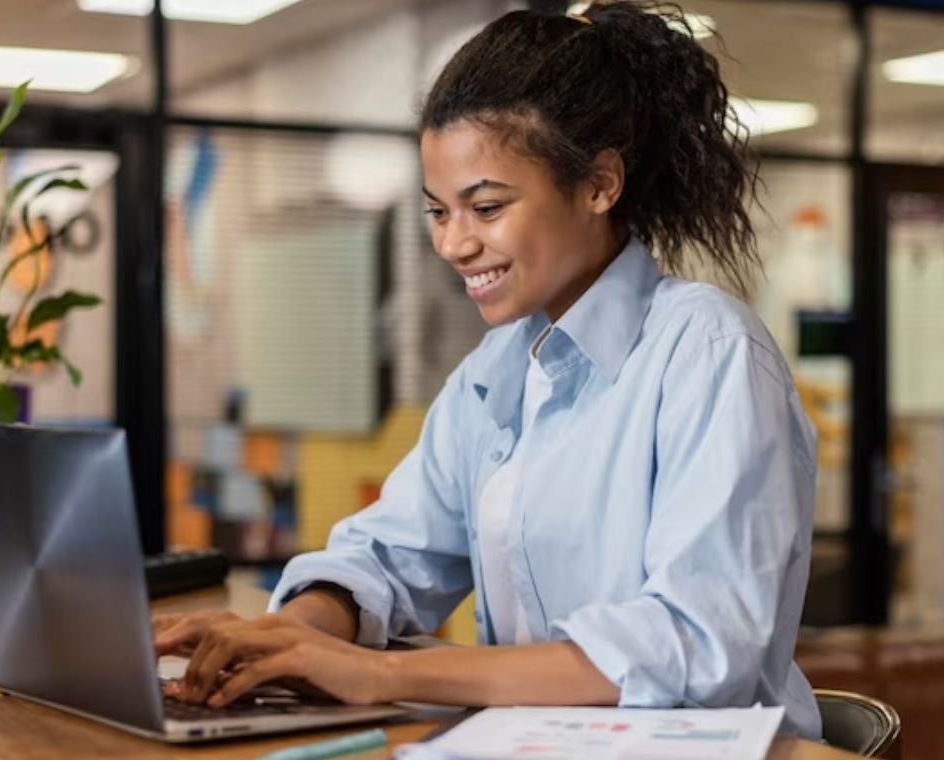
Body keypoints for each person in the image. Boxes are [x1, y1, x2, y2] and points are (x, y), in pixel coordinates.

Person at [153, 0, 821, 739]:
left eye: (487, 207)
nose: (455, 244)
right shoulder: (496, 370)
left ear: (600, 184)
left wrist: (382, 674)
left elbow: (695, 646)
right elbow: (389, 552)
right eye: (438, 211)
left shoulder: (708, 352)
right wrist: (299, 634)